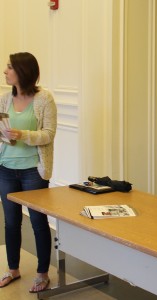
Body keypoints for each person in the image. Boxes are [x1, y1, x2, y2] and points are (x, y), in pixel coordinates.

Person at [0, 52, 57, 293]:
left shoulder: (44, 99)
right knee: (11, 223)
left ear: (22, 71)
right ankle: (13, 269)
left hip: (33, 171)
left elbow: (48, 134)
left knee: (38, 222)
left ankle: (42, 273)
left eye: (9, 67)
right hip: (5, 169)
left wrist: (24, 135)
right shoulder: (4, 99)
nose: (5, 71)